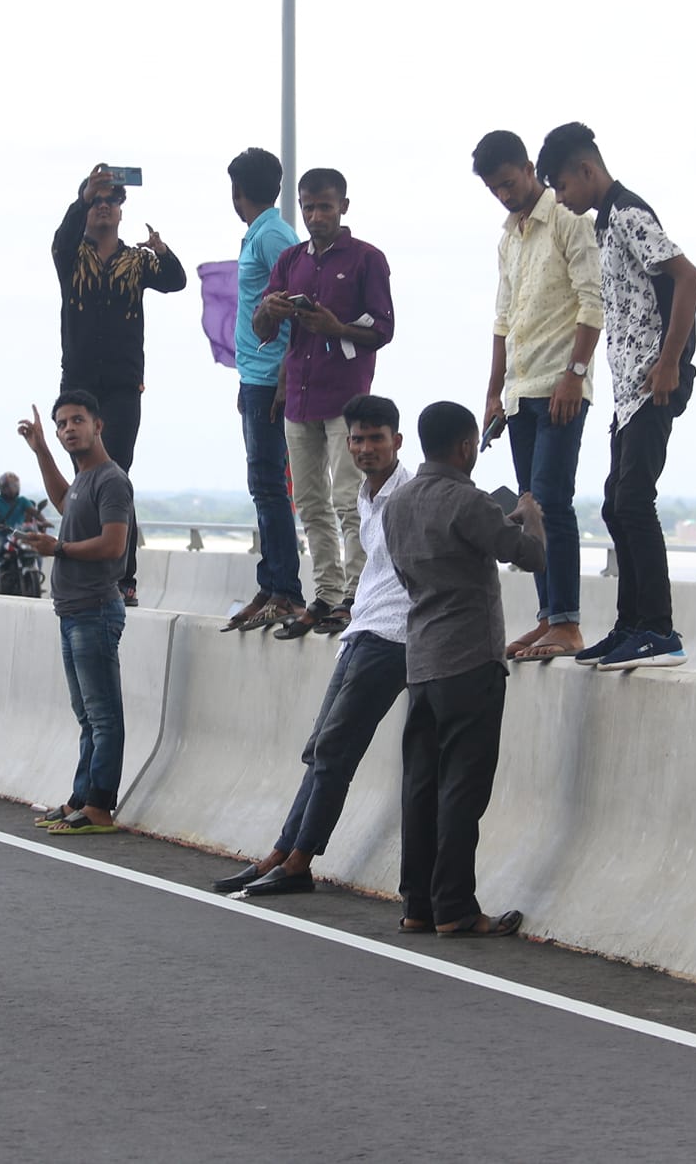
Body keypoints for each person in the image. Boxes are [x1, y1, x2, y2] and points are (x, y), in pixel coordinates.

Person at [212, 394, 411, 897]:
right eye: (358, 440)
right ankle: (282, 853)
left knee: (335, 752)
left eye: (376, 439)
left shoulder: (408, 498)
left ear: (397, 441)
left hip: (393, 637)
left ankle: (300, 860)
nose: (365, 448)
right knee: (319, 749)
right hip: (361, 630)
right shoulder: (367, 494)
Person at [537, 122, 696, 672]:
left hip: (655, 383)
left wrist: (670, 362)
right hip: (629, 392)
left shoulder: (629, 214)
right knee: (614, 503)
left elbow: (689, 277)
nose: (561, 198)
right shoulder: (604, 225)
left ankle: (658, 630)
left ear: (587, 170)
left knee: (633, 500)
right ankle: (631, 626)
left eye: (563, 186)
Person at [380, 400, 545, 938]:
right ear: (466, 445)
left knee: (420, 786)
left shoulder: (397, 504)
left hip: (421, 661)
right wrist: (531, 517)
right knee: (462, 789)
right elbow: (530, 556)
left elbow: (409, 574)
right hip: (471, 660)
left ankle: (417, 905)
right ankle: (454, 906)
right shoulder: (471, 502)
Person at [474, 130, 604, 662]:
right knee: (529, 509)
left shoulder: (570, 220)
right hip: (520, 390)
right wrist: (493, 393)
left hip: (560, 385)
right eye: (495, 189)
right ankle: (548, 617)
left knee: (552, 502)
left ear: (530, 168)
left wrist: (575, 374)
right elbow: (503, 320)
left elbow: (592, 303)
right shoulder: (508, 238)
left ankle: (568, 622)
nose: (504, 195)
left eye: (509, 183)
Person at [252, 168, 395, 639]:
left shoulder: (366, 259)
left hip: (345, 396)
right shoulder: (291, 260)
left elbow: (383, 329)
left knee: (348, 500)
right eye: (309, 207)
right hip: (299, 395)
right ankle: (327, 593)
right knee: (310, 502)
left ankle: (356, 596)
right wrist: (268, 310)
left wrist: (337, 328)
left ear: (343, 207)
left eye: (325, 207)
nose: (316, 216)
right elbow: (261, 329)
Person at [51, 163, 187, 605]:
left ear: (122, 210)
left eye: (111, 201)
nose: (104, 207)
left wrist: (162, 250)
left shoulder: (136, 261)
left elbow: (176, 281)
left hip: (123, 386)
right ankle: (91, 564)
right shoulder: (71, 256)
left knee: (116, 475)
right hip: (80, 387)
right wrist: (82, 197)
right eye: (97, 201)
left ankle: (123, 576)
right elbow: (61, 240)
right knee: (86, 475)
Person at [15, 391, 134, 837]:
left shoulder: (111, 480)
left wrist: (58, 548)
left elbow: (113, 544)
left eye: (77, 420)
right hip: (72, 612)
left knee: (103, 717)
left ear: (97, 425)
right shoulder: (84, 478)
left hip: (95, 611)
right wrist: (41, 450)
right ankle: (81, 797)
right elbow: (65, 501)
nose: (69, 429)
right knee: (87, 715)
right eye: (62, 423)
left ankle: (100, 806)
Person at [218, 146, 307, 634]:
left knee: (271, 486)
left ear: (237, 191)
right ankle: (271, 583)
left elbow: (298, 307)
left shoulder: (273, 236)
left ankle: (285, 590)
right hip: (254, 375)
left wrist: (283, 375)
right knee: (264, 485)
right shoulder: (262, 233)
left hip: (271, 378)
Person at [0, 471, 45, 592]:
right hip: (1, 534)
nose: (13, 489)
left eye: (15, 485)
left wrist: (44, 522)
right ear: (2, 488)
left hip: (19, 534)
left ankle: (35, 579)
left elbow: (35, 513)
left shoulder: (22, 501)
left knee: (37, 551)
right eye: (10, 486)